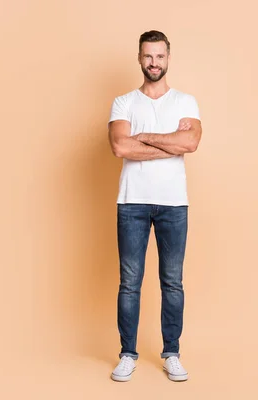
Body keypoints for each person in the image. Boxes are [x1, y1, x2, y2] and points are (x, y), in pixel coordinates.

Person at [107, 30, 202, 382]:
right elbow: (120, 148)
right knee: (130, 282)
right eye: (148, 56)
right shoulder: (123, 102)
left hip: (173, 204)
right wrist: (168, 144)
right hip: (132, 201)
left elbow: (190, 142)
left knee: (172, 282)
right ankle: (127, 353)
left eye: (160, 56)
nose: (154, 63)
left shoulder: (185, 102)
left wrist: (142, 136)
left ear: (168, 58)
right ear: (139, 58)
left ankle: (171, 352)